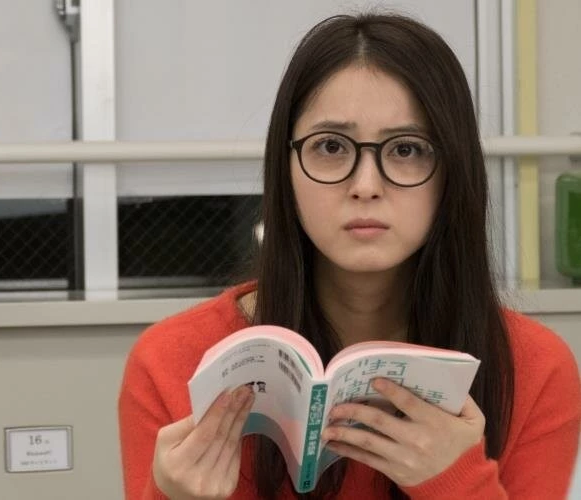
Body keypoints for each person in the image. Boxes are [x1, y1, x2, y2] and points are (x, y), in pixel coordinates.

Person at [118, 13, 581, 500]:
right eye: (331, 146)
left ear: (453, 171)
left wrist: (457, 482)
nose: (365, 185)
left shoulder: (533, 369)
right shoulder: (171, 363)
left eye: (407, 149)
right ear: (285, 167)